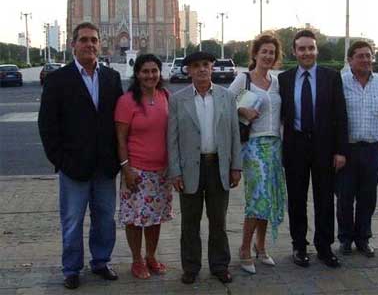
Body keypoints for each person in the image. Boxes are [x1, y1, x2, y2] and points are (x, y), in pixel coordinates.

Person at [38, 22, 123, 289]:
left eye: (93, 40)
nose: (89, 44)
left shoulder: (111, 78)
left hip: (105, 168)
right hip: (73, 167)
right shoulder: (58, 80)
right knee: (73, 220)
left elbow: (119, 122)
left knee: (105, 219)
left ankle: (100, 261)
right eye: (84, 40)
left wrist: (117, 160)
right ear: (73, 44)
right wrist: (60, 160)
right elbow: (47, 125)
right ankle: (71, 268)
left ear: (100, 44)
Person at [168, 51, 242, 285]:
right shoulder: (178, 99)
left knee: (218, 220)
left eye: (206, 65)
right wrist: (175, 171)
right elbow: (172, 139)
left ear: (212, 68)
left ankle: (220, 265)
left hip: (218, 166)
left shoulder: (226, 97)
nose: (201, 69)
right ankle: (190, 267)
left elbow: (234, 133)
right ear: (188, 70)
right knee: (190, 221)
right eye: (196, 66)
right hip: (190, 168)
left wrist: (236, 166)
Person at [278, 29, 348, 269]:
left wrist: (340, 151)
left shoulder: (331, 77)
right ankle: (299, 246)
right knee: (296, 200)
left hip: (324, 147)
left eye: (311, 48)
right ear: (295, 51)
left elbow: (340, 116)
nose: (307, 52)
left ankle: (324, 247)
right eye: (302, 48)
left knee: (325, 199)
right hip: (295, 146)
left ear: (316, 50)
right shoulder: (284, 79)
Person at [228, 33, 286, 275]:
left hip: (275, 146)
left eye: (272, 52)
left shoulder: (276, 81)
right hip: (253, 146)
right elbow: (224, 104)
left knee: (269, 199)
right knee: (258, 197)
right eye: (264, 51)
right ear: (255, 54)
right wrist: (242, 109)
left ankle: (260, 247)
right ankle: (244, 249)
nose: (268, 56)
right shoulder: (244, 79)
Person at [115, 54, 173, 279]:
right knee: (135, 219)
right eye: (145, 71)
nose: (150, 75)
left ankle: (151, 256)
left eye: (154, 71)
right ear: (137, 74)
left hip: (161, 171)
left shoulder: (165, 96)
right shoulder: (127, 101)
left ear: (160, 73)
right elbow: (120, 138)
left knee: (155, 219)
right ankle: (137, 260)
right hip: (136, 171)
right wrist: (126, 168)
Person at [337, 41, 378, 258]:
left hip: (371, 150)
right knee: (344, 198)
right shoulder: (340, 83)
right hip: (347, 150)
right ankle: (345, 239)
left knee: (367, 197)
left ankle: (363, 238)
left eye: (368, 55)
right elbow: (332, 116)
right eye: (360, 56)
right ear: (350, 60)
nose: (365, 59)